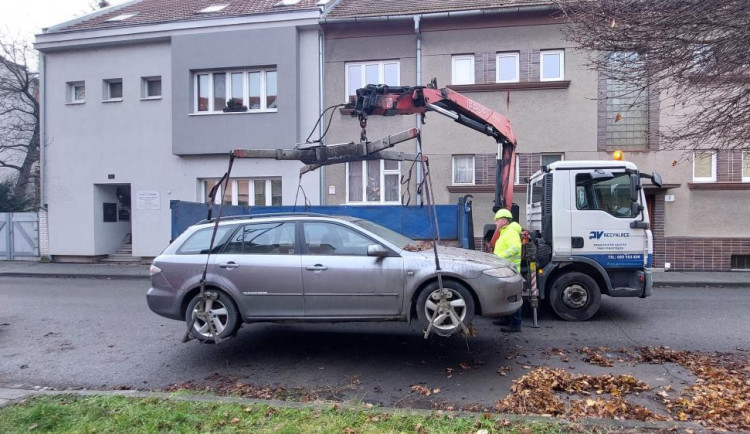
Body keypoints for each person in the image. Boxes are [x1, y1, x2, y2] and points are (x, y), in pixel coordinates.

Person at [490, 208, 523, 333]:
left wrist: (500, 257)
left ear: (503, 221)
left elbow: (515, 248)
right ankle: (506, 319)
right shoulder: (506, 231)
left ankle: (515, 324)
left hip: (511, 268)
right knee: (505, 295)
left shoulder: (510, 232)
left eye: (497, 220)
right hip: (506, 268)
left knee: (513, 296)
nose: (495, 223)